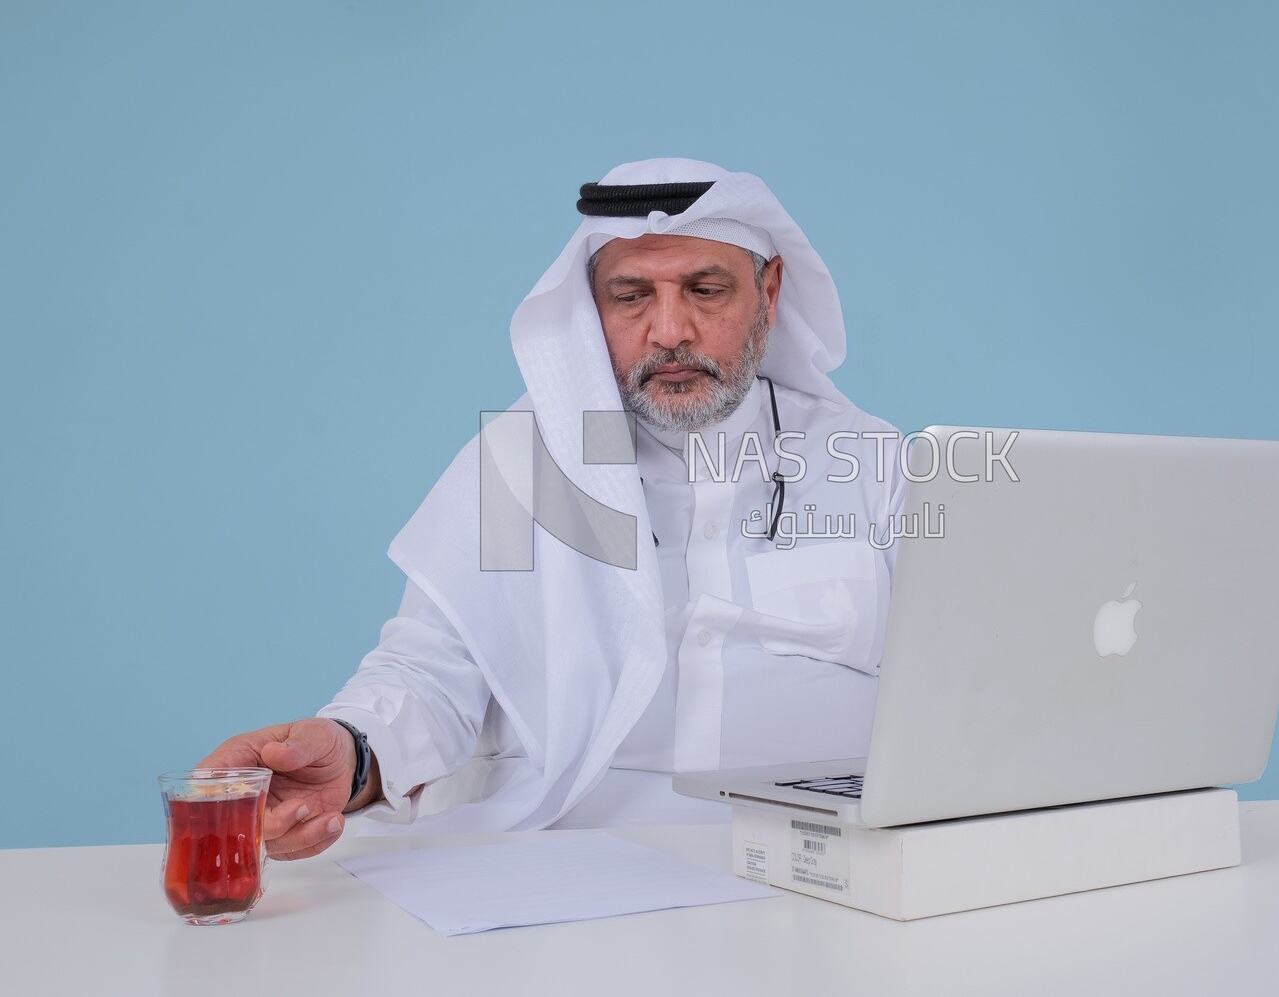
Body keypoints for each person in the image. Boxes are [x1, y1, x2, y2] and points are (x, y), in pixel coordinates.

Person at [201, 159, 906, 860]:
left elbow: (962, 683)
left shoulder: (871, 462)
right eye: (631, 296)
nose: (669, 330)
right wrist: (353, 754)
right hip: (570, 870)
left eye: (705, 289)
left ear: (771, 290)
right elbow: (431, 673)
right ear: (590, 308)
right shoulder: (521, 463)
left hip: (822, 871)